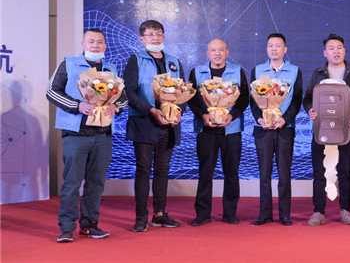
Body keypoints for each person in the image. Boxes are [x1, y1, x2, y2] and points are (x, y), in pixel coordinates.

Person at [46, 29, 128, 243]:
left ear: (105, 46)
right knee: (72, 183)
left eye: (100, 42)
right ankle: (66, 227)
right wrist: (77, 105)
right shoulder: (69, 63)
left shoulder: (110, 69)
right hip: (76, 134)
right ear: (83, 44)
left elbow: (123, 97)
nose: (95, 45)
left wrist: (116, 108)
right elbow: (51, 91)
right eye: (91, 42)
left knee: (96, 183)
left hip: (103, 135)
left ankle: (90, 224)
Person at [124, 20, 185, 232]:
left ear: (164, 37)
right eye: (151, 35)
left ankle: (159, 214)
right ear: (142, 39)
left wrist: (178, 111)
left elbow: (183, 91)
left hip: (169, 125)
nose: (155, 38)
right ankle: (141, 216)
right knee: (143, 170)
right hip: (144, 122)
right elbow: (129, 92)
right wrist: (150, 110)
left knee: (162, 170)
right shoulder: (135, 60)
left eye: (159, 34)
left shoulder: (174, 61)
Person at [187, 39, 250, 226]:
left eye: (221, 50)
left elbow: (244, 98)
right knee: (205, 172)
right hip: (206, 130)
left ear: (227, 52)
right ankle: (202, 213)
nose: (217, 53)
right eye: (213, 50)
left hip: (231, 130)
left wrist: (232, 115)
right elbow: (191, 99)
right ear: (208, 53)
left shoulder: (237, 71)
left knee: (232, 172)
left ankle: (230, 212)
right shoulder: (197, 72)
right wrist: (203, 115)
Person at [303, 33, 350, 226]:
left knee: (345, 170)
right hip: (321, 128)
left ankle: (345, 210)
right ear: (325, 53)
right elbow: (307, 99)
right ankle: (318, 211)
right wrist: (310, 110)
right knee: (319, 171)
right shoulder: (318, 73)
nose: (336, 51)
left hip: (346, 129)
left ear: (344, 50)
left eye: (339, 47)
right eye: (331, 48)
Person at [250, 33, 303, 226]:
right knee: (264, 174)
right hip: (263, 129)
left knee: (284, 173)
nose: (274, 49)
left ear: (285, 49)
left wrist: (285, 120)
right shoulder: (257, 70)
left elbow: (296, 101)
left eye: (278, 45)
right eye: (270, 45)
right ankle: (264, 214)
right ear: (267, 49)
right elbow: (252, 100)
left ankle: (284, 215)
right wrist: (259, 119)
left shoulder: (295, 71)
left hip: (284, 129)